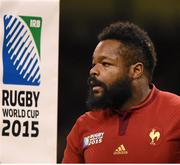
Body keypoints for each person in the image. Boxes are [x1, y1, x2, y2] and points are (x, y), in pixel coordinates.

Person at [62, 21, 180, 163]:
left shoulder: (175, 113)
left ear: (136, 71)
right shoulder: (83, 125)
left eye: (106, 64)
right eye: (94, 64)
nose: (93, 71)